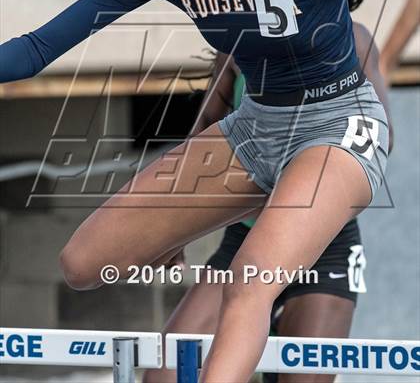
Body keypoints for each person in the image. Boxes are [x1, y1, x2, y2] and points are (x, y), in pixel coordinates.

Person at [1, 0, 419, 381]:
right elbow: (35, 50)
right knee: (84, 263)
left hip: (338, 123)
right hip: (257, 127)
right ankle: (246, 206)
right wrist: (182, 218)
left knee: (248, 283)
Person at [143, 19, 392, 383]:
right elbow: (204, 132)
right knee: (167, 375)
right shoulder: (238, 40)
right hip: (242, 240)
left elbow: (382, 140)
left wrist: (308, 176)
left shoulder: (351, 37)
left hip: (324, 248)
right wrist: (173, 231)